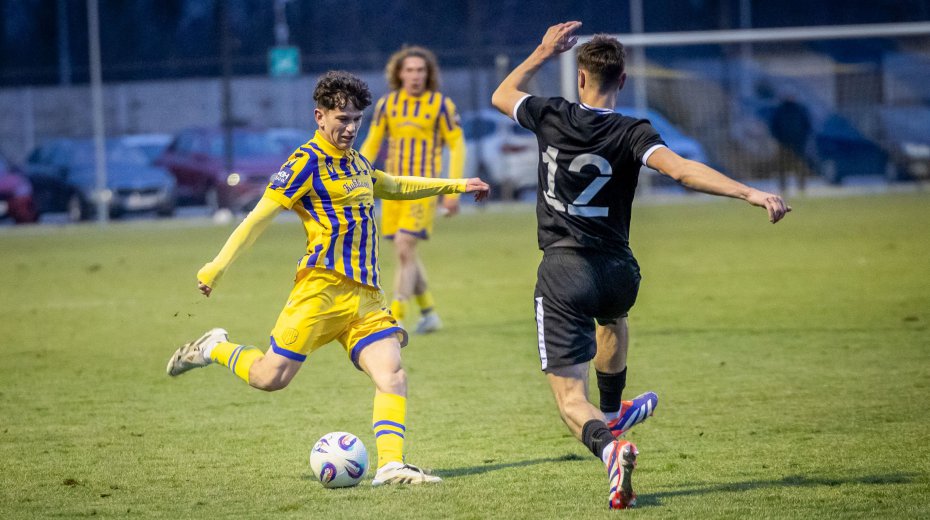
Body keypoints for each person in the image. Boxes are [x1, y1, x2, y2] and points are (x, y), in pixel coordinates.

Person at [491, 22, 790, 509]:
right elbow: (683, 171)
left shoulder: (550, 113)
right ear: (623, 81)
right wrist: (749, 192)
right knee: (612, 316)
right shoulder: (634, 131)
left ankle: (610, 447)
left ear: (581, 77)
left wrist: (543, 50)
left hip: (564, 269)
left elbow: (502, 94)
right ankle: (613, 410)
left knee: (571, 401)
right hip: (617, 270)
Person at [166, 70, 489, 486]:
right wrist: (217, 266)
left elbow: (393, 185)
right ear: (320, 116)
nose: (351, 128)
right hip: (320, 290)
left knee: (392, 373)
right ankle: (215, 346)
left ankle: (391, 465)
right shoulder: (304, 163)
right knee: (270, 378)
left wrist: (456, 184)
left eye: (356, 119)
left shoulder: (356, 162)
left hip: (366, 297)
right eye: (342, 119)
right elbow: (256, 219)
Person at [359, 46, 466, 334]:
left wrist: (452, 191)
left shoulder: (441, 105)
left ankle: (396, 317)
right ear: (399, 73)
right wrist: (357, 175)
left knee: (405, 245)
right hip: (391, 189)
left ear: (428, 74)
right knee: (405, 253)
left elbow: (457, 146)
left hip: (423, 189)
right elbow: (372, 142)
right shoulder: (387, 105)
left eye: (421, 70)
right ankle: (429, 313)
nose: (415, 76)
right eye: (410, 70)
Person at [770, 93, 812, 193]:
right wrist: (779, 139)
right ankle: (783, 187)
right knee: (782, 166)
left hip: (798, 143)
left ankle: (801, 187)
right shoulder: (780, 110)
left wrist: (802, 139)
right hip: (784, 143)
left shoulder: (800, 109)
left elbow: (807, 125)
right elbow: (773, 126)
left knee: (799, 165)